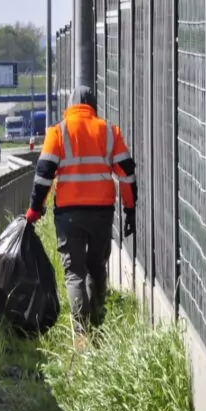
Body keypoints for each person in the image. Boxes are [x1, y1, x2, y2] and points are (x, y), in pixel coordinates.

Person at [24, 85, 138, 332]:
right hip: (102, 212)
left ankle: (82, 333)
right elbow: (127, 174)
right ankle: (98, 318)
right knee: (97, 266)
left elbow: (43, 175)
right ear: (93, 106)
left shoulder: (58, 132)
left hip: (69, 213)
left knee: (74, 271)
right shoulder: (109, 132)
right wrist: (130, 209)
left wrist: (35, 208)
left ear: (70, 106)